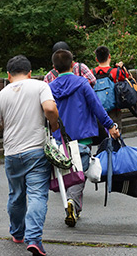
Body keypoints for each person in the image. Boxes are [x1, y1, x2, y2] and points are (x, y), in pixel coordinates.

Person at [0, 55, 59, 256]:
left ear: (9, 75)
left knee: (16, 195)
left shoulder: (2, 95)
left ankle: (18, 234)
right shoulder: (39, 86)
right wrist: (54, 124)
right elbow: (49, 108)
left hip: (11, 153)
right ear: (29, 72)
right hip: (36, 150)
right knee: (37, 194)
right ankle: (34, 239)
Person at [49, 49, 120, 228]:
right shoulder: (81, 83)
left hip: (60, 137)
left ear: (54, 68)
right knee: (80, 172)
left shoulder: (49, 87)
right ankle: (72, 203)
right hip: (82, 136)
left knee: (68, 170)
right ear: (73, 64)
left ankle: (72, 204)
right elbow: (97, 107)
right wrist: (110, 125)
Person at [93, 45, 129, 130]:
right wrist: (122, 67)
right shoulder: (116, 72)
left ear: (96, 59)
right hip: (114, 109)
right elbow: (127, 77)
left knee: (102, 137)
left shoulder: (92, 73)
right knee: (116, 134)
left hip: (99, 110)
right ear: (109, 56)